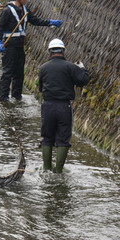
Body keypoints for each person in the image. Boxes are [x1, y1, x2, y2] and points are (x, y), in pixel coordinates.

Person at [39, 38, 90, 173]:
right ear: (63, 51)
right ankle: (58, 171)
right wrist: (83, 68)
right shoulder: (70, 66)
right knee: (63, 138)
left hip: (47, 106)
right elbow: (83, 81)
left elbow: (40, 87)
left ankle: (46, 169)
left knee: (47, 137)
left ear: (50, 51)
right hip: (64, 107)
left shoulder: (43, 67)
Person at [0, 0, 63, 102]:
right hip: (9, 46)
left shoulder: (25, 10)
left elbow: (35, 20)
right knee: (8, 72)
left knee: (19, 72)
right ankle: (3, 98)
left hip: (20, 46)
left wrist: (49, 22)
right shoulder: (7, 11)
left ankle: (17, 96)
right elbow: (0, 28)